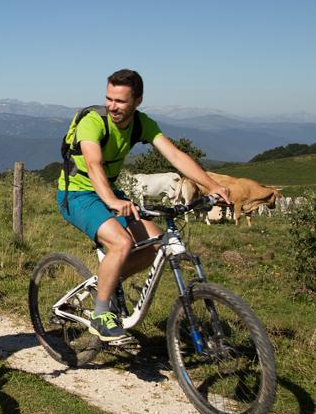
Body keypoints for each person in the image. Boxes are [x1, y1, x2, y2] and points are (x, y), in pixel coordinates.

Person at [56, 69, 230, 342]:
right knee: (121, 243)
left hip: (110, 191)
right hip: (76, 193)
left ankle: (105, 284)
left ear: (137, 101)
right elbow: (93, 164)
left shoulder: (142, 123)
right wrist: (112, 200)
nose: (112, 106)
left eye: (120, 101)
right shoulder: (93, 122)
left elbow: (174, 155)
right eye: (109, 99)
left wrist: (212, 185)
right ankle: (101, 315)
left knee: (156, 244)